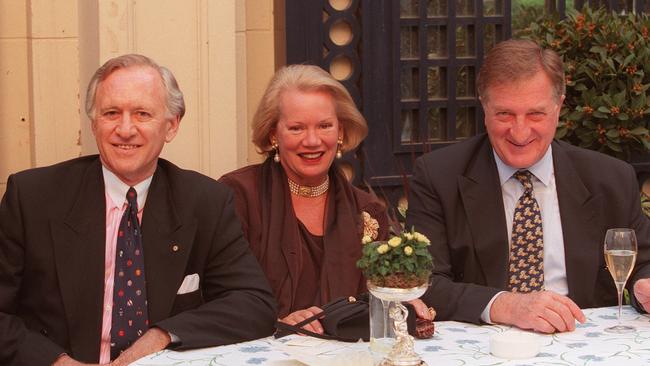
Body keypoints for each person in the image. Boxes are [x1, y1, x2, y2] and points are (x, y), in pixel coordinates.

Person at [0, 54, 277, 365]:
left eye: (142, 114)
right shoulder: (33, 197)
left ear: (171, 126)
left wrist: (164, 334)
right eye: (111, 113)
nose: (125, 129)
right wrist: (57, 362)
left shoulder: (205, 202)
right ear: (94, 124)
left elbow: (254, 303)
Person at [407, 39, 650, 334]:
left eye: (535, 114)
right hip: (484, 347)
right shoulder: (438, 176)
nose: (520, 132)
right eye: (504, 114)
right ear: (484, 107)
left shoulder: (610, 178)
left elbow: (643, 263)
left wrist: (641, 286)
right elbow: (424, 282)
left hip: (584, 343)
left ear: (558, 107)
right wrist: (507, 305)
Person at [219, 65, 433, 335]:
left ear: (340, 132)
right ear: (274, 134)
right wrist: (278, 323)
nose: (312, 141)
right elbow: (221, 298)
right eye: (296, 128)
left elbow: (374, 303)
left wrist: (398, 302)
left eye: (324, 126)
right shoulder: (237, 196)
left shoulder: (368, 212)